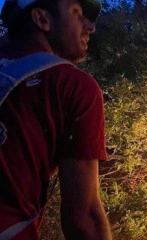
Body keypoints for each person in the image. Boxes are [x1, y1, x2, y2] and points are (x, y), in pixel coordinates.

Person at [0, 0, 113, 239]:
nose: (89, 27)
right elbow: (84, 221)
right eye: (76, 13)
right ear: (42, 20)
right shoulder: (71, 86)